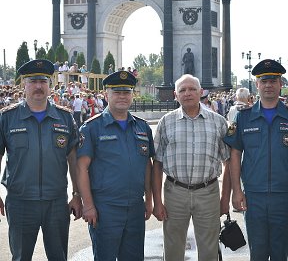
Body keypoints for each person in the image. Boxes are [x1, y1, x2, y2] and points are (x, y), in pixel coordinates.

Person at [0, 59, 82, 260]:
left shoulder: (65, 118)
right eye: (33, 81)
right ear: (23, 85)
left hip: (56, 202)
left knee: (58, 256)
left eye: (43, 81)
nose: (38, 86)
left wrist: (77, 194)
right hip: (20, 202)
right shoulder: (7, 118)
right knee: (20, 257)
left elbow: (74, 160)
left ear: (50, 85)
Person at [76, 71, 155, 261]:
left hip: (135, 206)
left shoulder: (142, 127)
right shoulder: (91, 128)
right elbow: (81, 168)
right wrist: (88, 205)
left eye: (126, 92)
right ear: (106, 95)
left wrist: (149, 199)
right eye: (116, 92)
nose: (122, 96)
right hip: (105, 208)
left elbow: (147, 166)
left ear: (132, 95)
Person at [152, 74, 231, 261]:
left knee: (209, 248)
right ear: (175, 95)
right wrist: (157, 200)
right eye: (182, 90)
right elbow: (157, 163)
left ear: (201, 92)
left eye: (192, 89)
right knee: (172, 247)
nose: (187, 93)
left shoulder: (218, 122)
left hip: (208, 192)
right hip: (175, 192)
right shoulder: (166, 122)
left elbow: (228, 161)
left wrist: (225, 198)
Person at [224, 59, 288, 261]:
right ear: (257, 84)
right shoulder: (243, 118)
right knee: (258, 252)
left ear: (281, 84)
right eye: (263, 80)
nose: (268, 85)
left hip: (284, 196)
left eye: (273, 80)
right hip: (254, 196)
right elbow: (235, 155)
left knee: (281, 252)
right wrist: (237, 190)